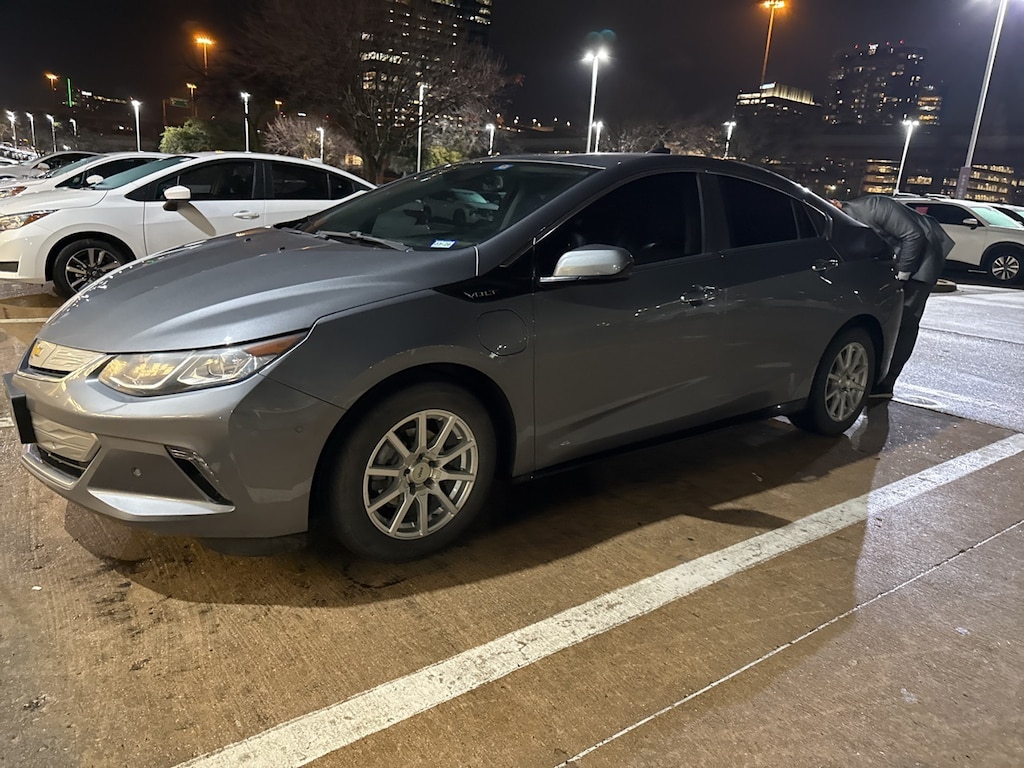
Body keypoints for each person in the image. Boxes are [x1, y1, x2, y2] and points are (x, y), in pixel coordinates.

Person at [833, 195, 955, 399]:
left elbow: (914, 235)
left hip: (924, 257)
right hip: (898, 260)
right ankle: (878, 379)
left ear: (836, 203)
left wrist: (903, 274)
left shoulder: (875, 206)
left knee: (906, 321)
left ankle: (886, 384)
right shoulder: (846, 225)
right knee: (889, 320)